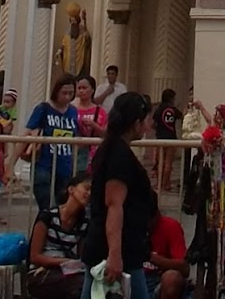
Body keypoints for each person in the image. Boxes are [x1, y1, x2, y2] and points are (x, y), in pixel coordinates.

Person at [80, 92, 157, 299]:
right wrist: (115, 254)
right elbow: (114, 205)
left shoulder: (113, 149)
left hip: (121, 245)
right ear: (136, 122)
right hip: (118, 248)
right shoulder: (119, 156)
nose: (149, 125)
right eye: (147, 119)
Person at [28, 169, 92, 299]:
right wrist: (64, 262)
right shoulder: (48, 217)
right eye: (86, 188)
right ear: (71, 189)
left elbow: (82, 256)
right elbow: (34, 256)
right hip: (41, 272)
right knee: (78, 287)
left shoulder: (84, 223)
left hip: (68, 272)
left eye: (92, 191)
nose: (89, 193)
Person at [25, 74, 81, 211]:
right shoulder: (43, 109)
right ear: (56, 91)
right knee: (47, 207)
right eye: (64, 93)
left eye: (71, 93)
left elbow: (75, 137)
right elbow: (27, 133)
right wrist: (11, 165)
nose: (67, 97)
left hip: (65, 166)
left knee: (61, 207)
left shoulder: (73, 111)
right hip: (44, 164)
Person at [144, 211, 191, 299]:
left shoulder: (170, 226)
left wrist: (154, 259)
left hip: (158, 280)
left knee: (171, 279)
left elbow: (184, 268)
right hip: (136, 276)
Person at [74, 74, 108, 174]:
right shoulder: (72, 109)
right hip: (75, 153)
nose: (81, 91)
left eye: (84, 88)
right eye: (79, 88)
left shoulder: (100, 111)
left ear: (92, 90)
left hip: (93, 154)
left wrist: (93, 125)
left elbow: (105, 134)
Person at [152, 89, 182, 192]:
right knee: (169, 163)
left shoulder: (159, 109)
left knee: (160, 163)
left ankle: (160, 184)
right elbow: (182, 116)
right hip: (171, 138)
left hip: (160, 138)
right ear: (171, 98)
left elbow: (153, 124)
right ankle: (166, 184)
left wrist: (159, 128)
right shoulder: (173, 110)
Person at [59, 4, 93, 79]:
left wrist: (85, 20)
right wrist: (60, 50)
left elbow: (87, 39)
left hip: (79, 60)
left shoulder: (82, 30)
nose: (73, 23)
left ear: (77, 21)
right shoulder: (68, 31)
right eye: (71, 21)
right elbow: (64, 43)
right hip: (68, 59)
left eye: (74, 21)